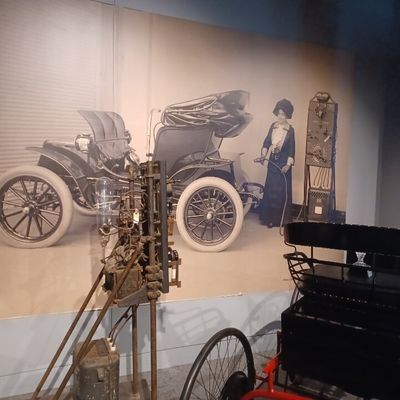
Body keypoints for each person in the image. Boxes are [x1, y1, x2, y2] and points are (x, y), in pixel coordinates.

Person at [259, 99, 295, 227]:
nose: (280, 116)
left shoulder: (290, 130)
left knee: (280, 193)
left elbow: (291, 150)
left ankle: (279, 220)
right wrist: (263, 155)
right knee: (270, 191)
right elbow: (267, 142)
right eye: (279, 113)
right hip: (272, 164)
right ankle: (268, 219)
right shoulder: (273, 126)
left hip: (283, 166)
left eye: (283, 114)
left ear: (287, 115)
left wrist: (288, 165)